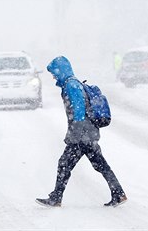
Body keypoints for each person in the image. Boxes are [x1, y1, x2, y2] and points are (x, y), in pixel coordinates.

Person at [36, 56, 127, 208]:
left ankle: (56, 198)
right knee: (99, 164)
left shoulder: (71, 85)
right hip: (88, 133)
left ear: (61, 70)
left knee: (65, 164)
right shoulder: (72, 83)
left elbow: (79, 111)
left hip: (82, 135)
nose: (53, 76)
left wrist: (74, 135)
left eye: (54, 72)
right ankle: (118, 193)